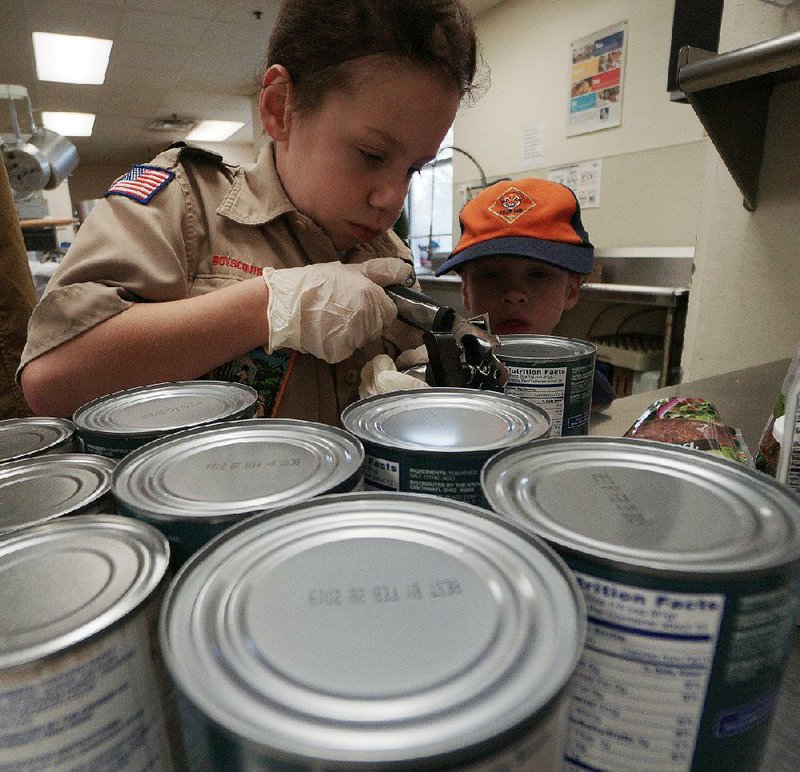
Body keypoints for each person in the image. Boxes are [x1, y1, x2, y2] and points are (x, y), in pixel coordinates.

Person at [17, 0, 480, 425]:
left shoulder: (388, 257)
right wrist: (270, 307)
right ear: (281, 107)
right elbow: (51, 381)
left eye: (415, 170)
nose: (390, 199)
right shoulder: (182, 204)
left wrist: (412, 392)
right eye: (371, 155)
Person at [361, 177, 615, 407]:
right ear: (465, 291)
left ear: (571, 291)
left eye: (538, 274)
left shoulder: (586, 388)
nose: (514, 294)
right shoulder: (442, 375)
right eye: (491, 275)